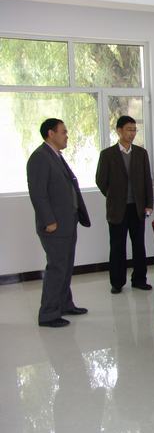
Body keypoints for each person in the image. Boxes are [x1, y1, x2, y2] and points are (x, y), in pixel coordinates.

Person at [27, 118, 91, 327]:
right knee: (57, 268)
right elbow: (38, 194)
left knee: (66, 266)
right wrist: (49, 221)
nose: (67, 136)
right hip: (54, 225)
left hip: (67, 221)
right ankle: (48, 314)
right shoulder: (40, 157)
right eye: (63, 132)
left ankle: (64, 304)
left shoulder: (55, 155)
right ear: (50, 133)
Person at [96, 116, 153, 294]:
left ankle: (139, 279)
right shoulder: (107, 154)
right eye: (129, 129)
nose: (132, 133)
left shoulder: (141, 153)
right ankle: (117, 282)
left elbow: (147, 180)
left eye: (134, 130)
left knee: (139, 245)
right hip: (117, 209)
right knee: (117, 247)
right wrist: (114, 196)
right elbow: (101, 181)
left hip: (137, 207)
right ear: (119, 131)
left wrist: (149, 204)